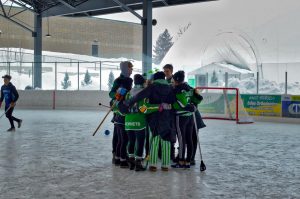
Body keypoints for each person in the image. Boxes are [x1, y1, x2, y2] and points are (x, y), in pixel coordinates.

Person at [123, 72, 176, 172]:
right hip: (166, 117)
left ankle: (153, 164)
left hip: (154, 116)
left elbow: (139, 96)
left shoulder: (152, 87)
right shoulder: (170, 88)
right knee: (166, 140)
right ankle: (165, 165)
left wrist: (128, 102)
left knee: (154, 140)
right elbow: (173, 101)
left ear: (155, 79)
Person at [171, 71, 203, 169]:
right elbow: (197, 99)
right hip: (190, 118)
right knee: (189, 139)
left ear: (176, 80)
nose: (172, 82)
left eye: (173, 79)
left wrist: (188, 106)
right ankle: (188, 161)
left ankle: (181, 161)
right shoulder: (189, 87)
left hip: (181, 117)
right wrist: (193, 103)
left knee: (182, 139)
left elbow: (182, 104)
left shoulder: (178, 89)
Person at [109, 61, 133, 166]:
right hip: (119, 109)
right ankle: (116, 154)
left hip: (127, 110)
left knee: (125, 135)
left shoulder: (130, 80)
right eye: (130, 68)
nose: (131, 70)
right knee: (118, 134)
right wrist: (118, 93)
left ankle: (124, 154)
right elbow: (111, 93)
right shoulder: (118, 80)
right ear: (125, 69)